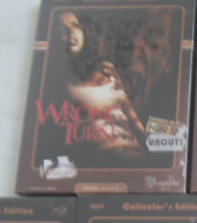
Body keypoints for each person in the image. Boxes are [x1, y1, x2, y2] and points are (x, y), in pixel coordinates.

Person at [55, 11, 147, 159]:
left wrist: (150, 146)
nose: (71, 33)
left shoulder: (106, 69)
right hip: (102, 161)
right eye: (62, 30)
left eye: (75, 26)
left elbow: (130, 113)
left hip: (137, 157)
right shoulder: (58, 83)